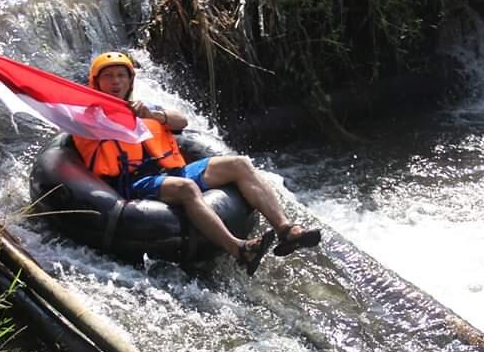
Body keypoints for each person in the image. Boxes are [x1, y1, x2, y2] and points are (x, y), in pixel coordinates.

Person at [73, 52, 321, 275]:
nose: (116, 81)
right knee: (186, 188)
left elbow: (181, 122)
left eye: (121, 75)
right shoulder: (91, 117)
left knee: (240, 164)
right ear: (96, 81)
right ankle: (240, 250)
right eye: (108, 76)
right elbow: (83, 129)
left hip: (171, 170)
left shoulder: (145, 109)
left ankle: (286, 230)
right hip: (134, 181)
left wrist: (152, 115)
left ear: (130, 80)